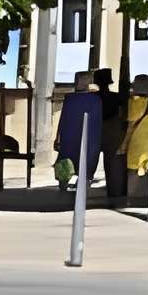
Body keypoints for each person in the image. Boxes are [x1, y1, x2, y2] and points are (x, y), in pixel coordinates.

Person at [56, 70, 108, 201]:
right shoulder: (96, 99)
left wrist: (58, 136)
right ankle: (84, 183)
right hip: (90, 137)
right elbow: (98, 121)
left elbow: (63, 119)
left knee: (66, 158)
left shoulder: (70, 98)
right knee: (87, 160)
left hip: (69, 135)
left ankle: (63, 183)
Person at [121, 74, 148, 207]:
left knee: (134, 173)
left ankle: (134, 199)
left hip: (136, 143)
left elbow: (130, 127)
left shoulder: (133, 104)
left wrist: (123, 145)